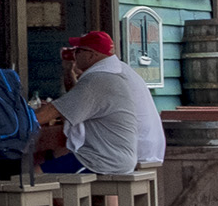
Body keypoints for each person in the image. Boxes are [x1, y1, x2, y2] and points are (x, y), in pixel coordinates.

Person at [35, 31, 158, 176]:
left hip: (102, 161)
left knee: (34, 176)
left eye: (78, 51)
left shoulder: (98, 80)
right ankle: (76, 198)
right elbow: (77, 100)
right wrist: (68, 70)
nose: (75, 55)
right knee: (60, 156)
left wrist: (19, 120)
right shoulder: (112, 74)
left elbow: (51, 112)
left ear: (91, 55)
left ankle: (72, 199)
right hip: (121, 157)